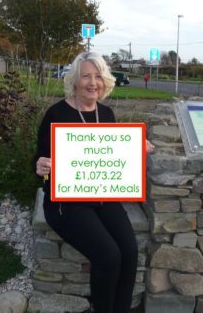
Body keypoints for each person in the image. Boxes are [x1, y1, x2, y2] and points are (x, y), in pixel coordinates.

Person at [35, 52, 154, 313]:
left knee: (130, 251)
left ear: (105, 81)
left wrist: (136, 148)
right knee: (108, 256)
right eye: (86, 76)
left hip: (102, 196)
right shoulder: (56, 114)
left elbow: (108, 155)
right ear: (75, 81)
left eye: (98, 76)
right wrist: (42, 168)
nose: (93, 82)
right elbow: (40, 166)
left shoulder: (106, 113)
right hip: (66, 202)